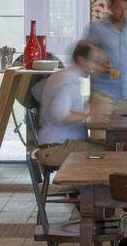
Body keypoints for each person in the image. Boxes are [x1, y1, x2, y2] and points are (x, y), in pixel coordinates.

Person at [32, 40, 101, 174]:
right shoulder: (68, 82)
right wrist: (88, 116)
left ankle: (87, 185)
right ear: (81, 60)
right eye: (93, 61)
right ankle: (89, 186)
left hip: (56, 143)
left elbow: (36, 90)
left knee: (108, 146)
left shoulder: (62, 76)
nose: (95, 66)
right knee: (110, 153)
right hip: (56, 146)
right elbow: (60, 114)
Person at [81, 0, 127, 119]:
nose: (123, 13)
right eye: (119, 9)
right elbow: (84, 54)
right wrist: (99, 65)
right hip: (103, 93)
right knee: (100, 132)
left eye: (126, 9)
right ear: (110, 6)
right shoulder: (97, 28)